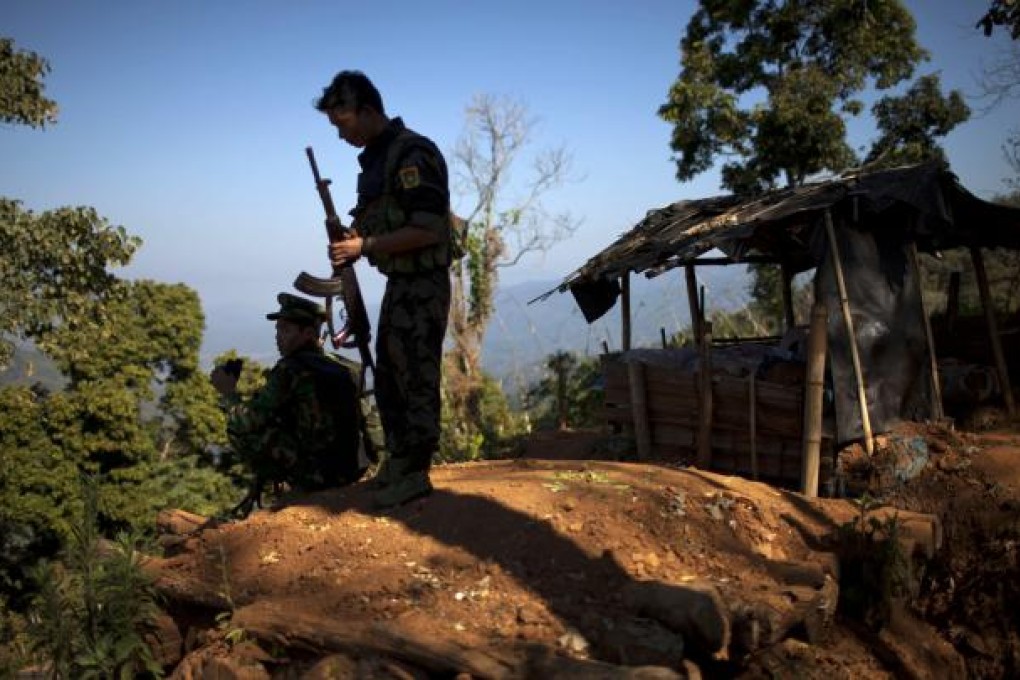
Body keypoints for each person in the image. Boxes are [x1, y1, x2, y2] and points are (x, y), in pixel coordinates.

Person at [315, 70, 455, 508]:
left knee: (415, 373)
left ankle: (416, 471)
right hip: (401, 281)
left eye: (344, 123)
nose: (341, 136)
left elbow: (429, 229)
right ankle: (399, 461)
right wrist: (351, 235)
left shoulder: (412, 153)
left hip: (424, 283)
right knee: (391, 376)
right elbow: (380, 216)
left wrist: (365, 246)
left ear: (368, 110)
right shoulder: (377, 160)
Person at [210, 293, 366, 515]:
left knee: (240, 429)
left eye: (285, 330)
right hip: (351, 470)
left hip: (317, 476)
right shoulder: (345, 367)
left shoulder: (290, 369)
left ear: (309, 334)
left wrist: (228, 393)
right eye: (277, 330)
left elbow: (247, 420)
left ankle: (289, 486)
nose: (278, 337)